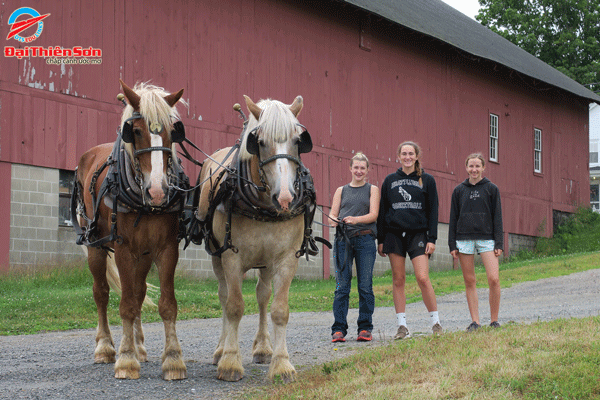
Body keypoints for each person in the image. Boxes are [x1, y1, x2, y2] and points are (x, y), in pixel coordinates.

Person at [377, 141, 442, 339]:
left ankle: (436, 323)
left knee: (422, 277)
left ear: (416, 156)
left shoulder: (427, 180)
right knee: (398, 279)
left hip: (418, 234)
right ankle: (402, 326)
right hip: (394, 234)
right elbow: (382, 211)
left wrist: (432, 238)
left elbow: (433, 210)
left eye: (411, 154)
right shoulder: (389, 180)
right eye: (404, 153)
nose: (407, 157)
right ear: (398, 156)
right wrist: (381, 239)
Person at [449, 153, 503, 331]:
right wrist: (452, 244)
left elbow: (497, 217)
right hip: (464, 238)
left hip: (487, 238)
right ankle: (475, 321)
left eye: (477, 166)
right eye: (471, 166)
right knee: (470, 280)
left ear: (483, 168)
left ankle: (494, 320)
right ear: (466, 168)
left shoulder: (491, 189)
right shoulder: (459, 190)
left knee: (493, 279)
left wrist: (499, 243)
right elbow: (453, 217)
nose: (474, 170)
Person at [330, 152, 380, 343]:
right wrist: (335, 221)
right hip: (343, 240)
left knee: (365, 286)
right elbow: (332, 215)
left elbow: (373, 214)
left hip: (365, 241)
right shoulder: (341, 190)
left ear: (367, 170)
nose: (359, 171)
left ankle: (365, 327)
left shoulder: (372, 189)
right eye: (356, 167)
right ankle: (338, 329)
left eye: (362, 168)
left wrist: (354, 219)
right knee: (342, 287)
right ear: (350, 168)